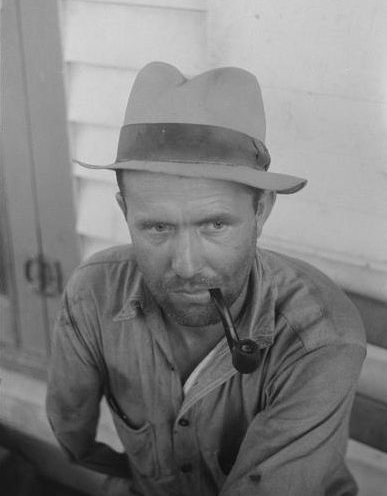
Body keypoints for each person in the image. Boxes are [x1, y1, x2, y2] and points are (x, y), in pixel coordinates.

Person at [46, 62, 366, 496]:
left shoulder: (319, 337)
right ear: (125, 212)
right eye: (156, 227)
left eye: (215, 225)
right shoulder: (92, 296)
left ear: (261, 211)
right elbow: (74, 439)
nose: (186, 265)